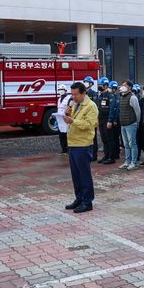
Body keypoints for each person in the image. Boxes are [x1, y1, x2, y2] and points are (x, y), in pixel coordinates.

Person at [63, 82, 99, 214]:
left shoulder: (91, 106)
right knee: (76, 175)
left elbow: (89, 124)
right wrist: (68, 114)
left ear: (83, 93)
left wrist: (72, 121)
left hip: (83, 144)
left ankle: (87, 201)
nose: (73, 97)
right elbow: (74, 121)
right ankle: (79, 198)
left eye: (75, 94)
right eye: (71, 94)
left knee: (84, 174)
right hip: (73, 143)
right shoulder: (75, 104)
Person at [118, 81, 141, 171]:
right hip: (123, 124)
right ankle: (127, 161)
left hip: (131, 124)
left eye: (125, 85)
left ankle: (133, 163)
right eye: (122, 85)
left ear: (129, 87)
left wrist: (137, 122)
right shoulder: (122, 97)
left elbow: (137, 111)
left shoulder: (132, 97)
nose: (123, 87)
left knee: (132, 144)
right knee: (126, 144)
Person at [96, 77, 116, 164]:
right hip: (101, 120)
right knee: (104, 139)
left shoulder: (110, 96)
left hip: (107, 120)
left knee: (110, 139)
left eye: (101, 85)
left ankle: (111, 157)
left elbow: (112, 109)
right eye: (99, 85)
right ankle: (106, 155)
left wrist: (110, 120)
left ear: (106, 86)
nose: (99, 87)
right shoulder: (100, 96)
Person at [56, 84, 72, 155]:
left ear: (65, 91)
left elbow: (70, 108)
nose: (60, 91)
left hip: (66, 118)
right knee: (61, 134)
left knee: (67, 134)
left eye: (62, 90)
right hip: (60, 119)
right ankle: (63, 149)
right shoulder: (59, 99)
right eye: (59, 90)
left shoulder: (69, 98)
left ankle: (68, 149)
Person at [109, 81, 122, 161]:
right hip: (111, 119)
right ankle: (113, 152)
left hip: (116, 120)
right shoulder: (110, 96)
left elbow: (117, 109)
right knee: (112, 137)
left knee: (116, 137)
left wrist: (115, 120)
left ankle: (116, 153)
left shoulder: (117, 97)